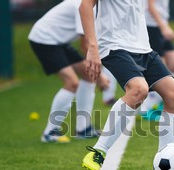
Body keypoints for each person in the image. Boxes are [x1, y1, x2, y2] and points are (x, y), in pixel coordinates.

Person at [79, 0, 174, 170]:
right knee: (138, 89)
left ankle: (162, 164)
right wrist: (92, 47)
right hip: (114, 46)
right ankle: (98, 151)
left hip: (143, 48)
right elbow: (85, 5)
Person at [28, 0, 117, 143]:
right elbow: (86, 46)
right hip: (43, 39)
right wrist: (100, 77)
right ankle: (50, 133)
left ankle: (83, 129)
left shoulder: (98, 6)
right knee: (72, 83)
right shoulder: (84, 5)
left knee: (88, 76)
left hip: (58, 41)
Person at [139, 0, 174, 119]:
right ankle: (147, 107)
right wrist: (164, 27)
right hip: (152, 26)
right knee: (158, 68)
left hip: (161, 25)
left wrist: (165, 25)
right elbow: (150, 6)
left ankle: (159, 99)